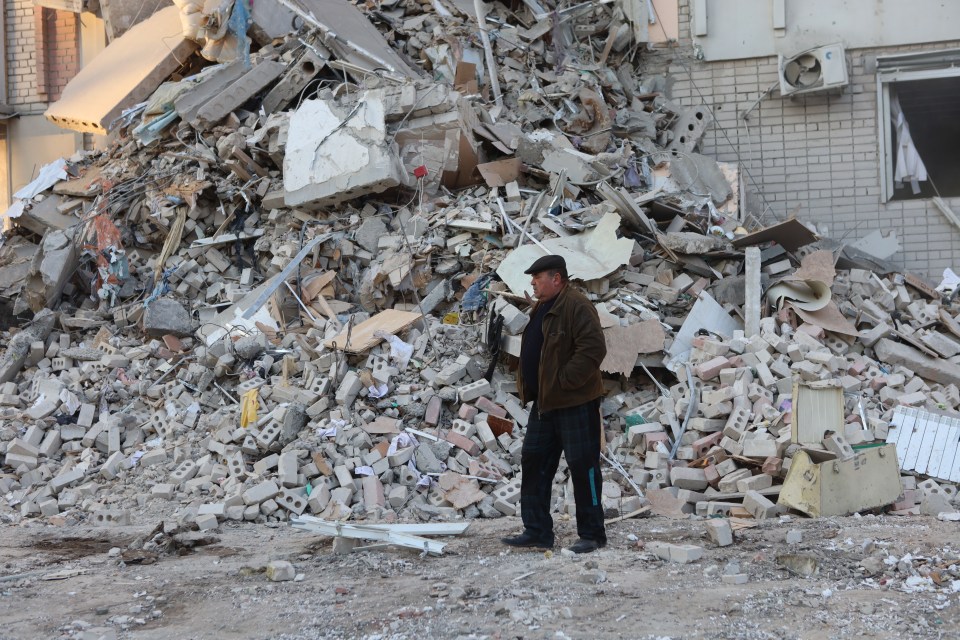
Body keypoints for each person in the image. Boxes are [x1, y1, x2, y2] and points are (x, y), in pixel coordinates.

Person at [501, 254, 608, 554]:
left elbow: (593, 349)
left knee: (583, 465)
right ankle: (536, 531)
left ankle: (592, 534)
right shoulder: (543, 307)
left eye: (538, 277)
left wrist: (563, 381)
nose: (532, 282)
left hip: (575, 402)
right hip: (546, 404)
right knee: (534, 461)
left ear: (557, 278)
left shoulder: (577, 306)